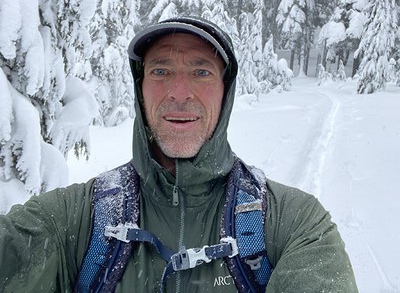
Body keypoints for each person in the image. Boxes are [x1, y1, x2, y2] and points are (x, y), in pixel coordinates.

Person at [0, 16, 358, 292]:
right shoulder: (74, 220)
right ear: (140, 89)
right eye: (161, 71)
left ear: (225, 92)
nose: (180, 92)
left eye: (201, 71)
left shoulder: (296, 224)